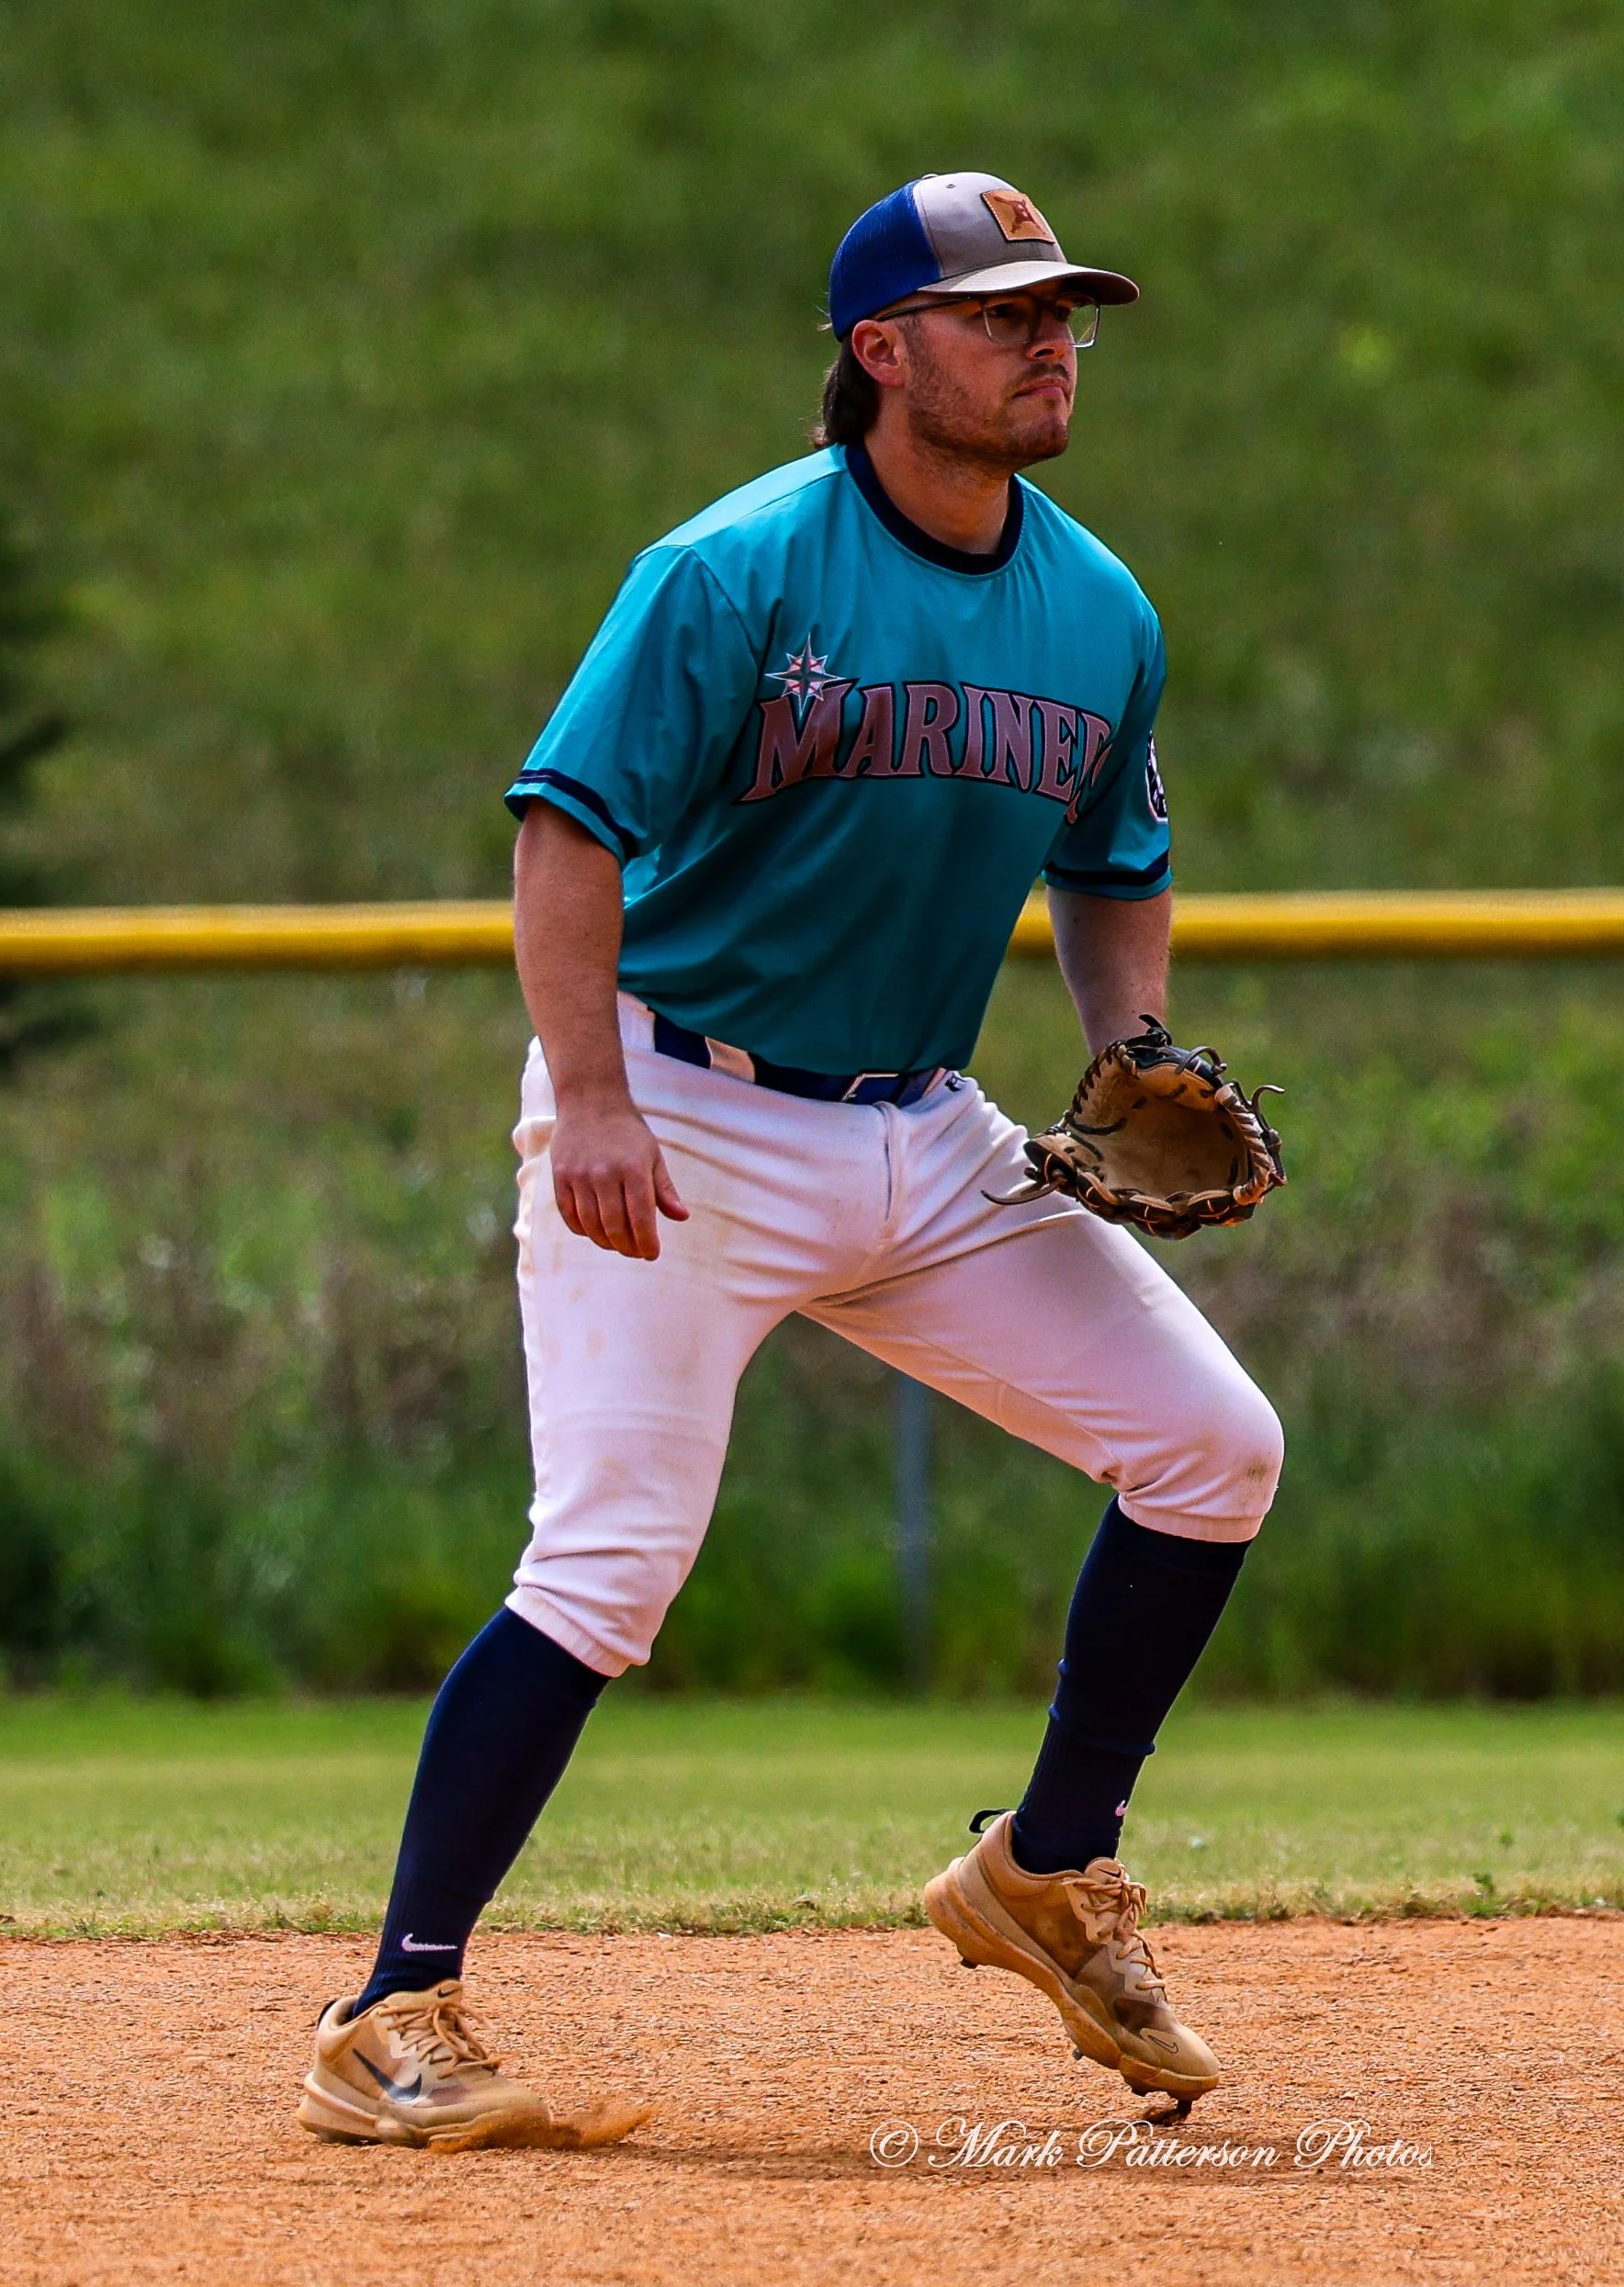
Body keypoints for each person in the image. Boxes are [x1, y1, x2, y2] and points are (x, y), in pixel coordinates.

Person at [298, 170, 1283, 2150]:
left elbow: (1114, 866)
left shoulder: (1098, 611)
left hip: (922, 1128)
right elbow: (566, 834)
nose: (1047, 342)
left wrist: (1126, 1050)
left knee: (1212, 1448)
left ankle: (1042, 1865)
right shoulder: (731, 570)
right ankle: (388, 2010)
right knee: (609, 1565)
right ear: (879, 352)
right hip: (680, 1114)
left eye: (1058, 312)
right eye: (1001, 314)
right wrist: (586, 1096)